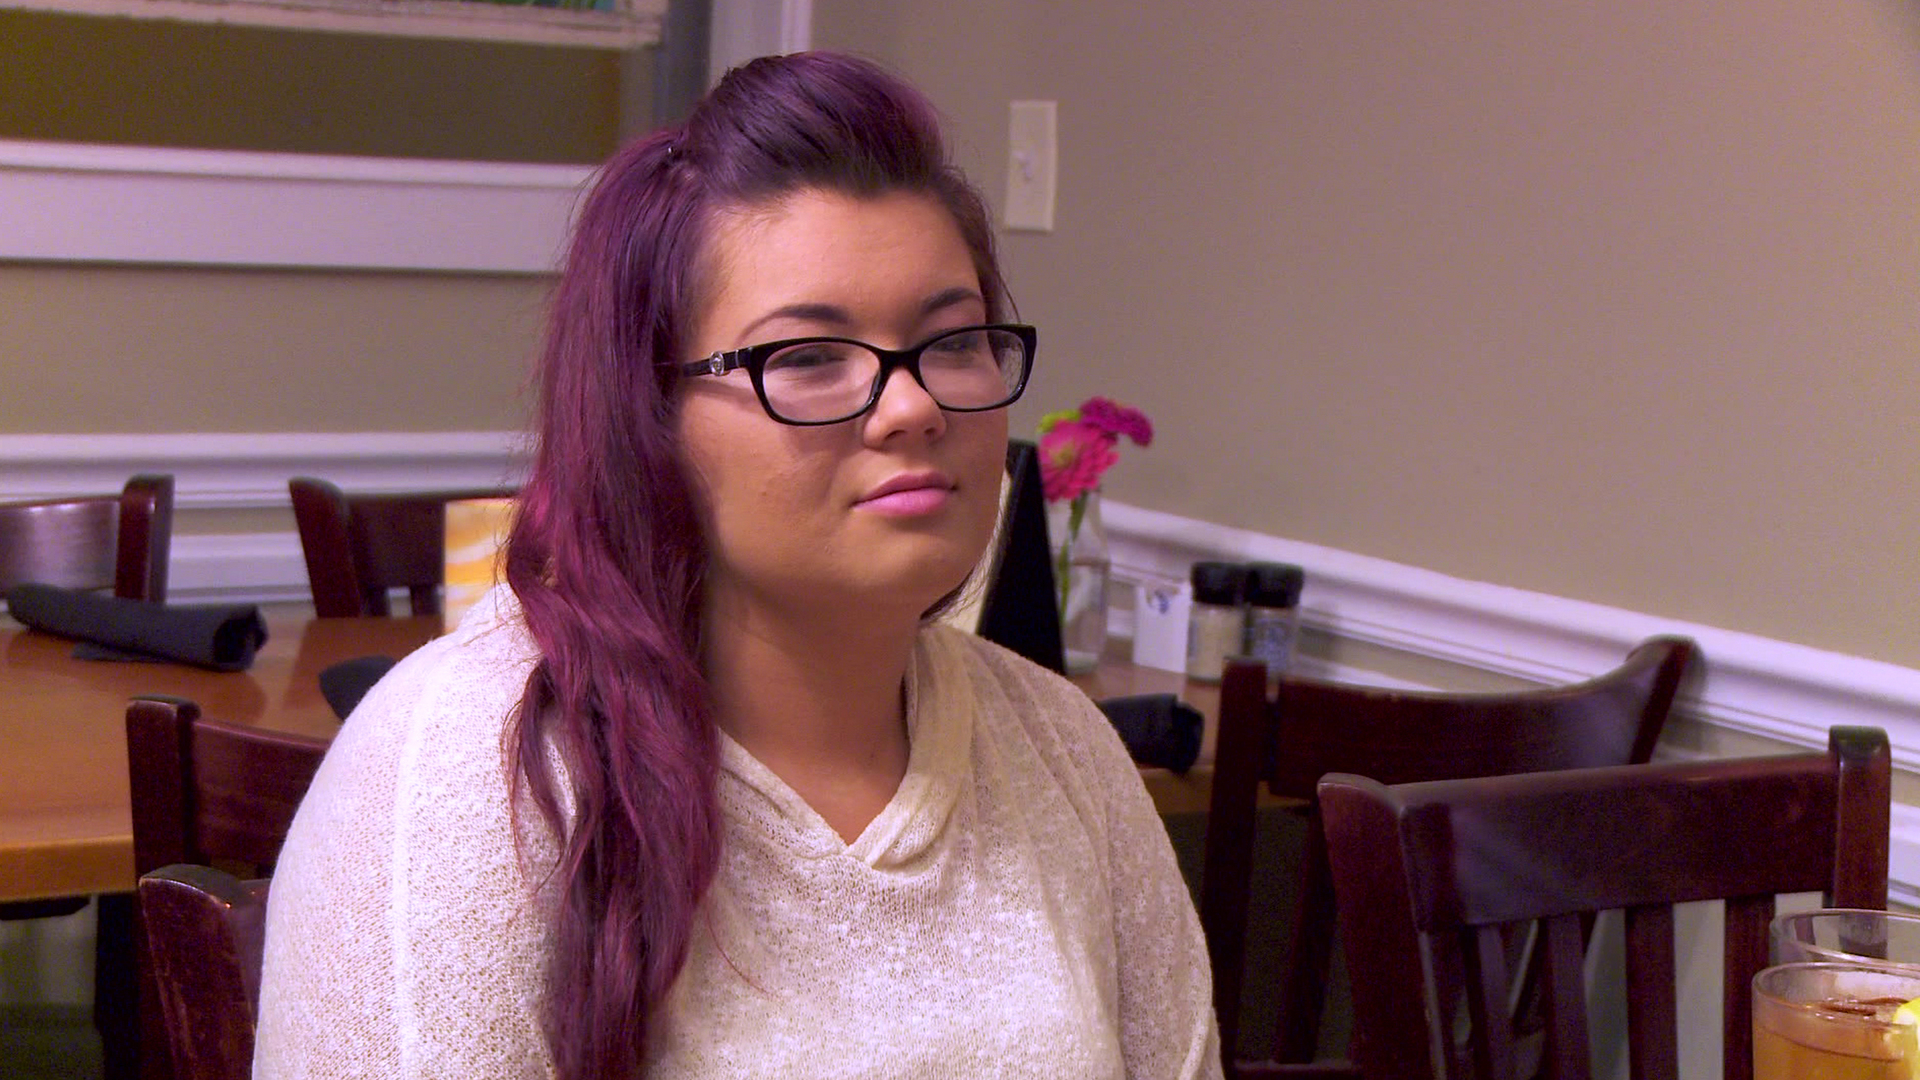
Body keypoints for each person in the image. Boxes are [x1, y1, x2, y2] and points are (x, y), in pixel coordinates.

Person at [254, 51, 1221, 1079]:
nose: (913, 406)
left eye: (953, 342)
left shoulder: (1065, 753)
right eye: (807, 358)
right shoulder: (474, 774)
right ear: (649, 418)